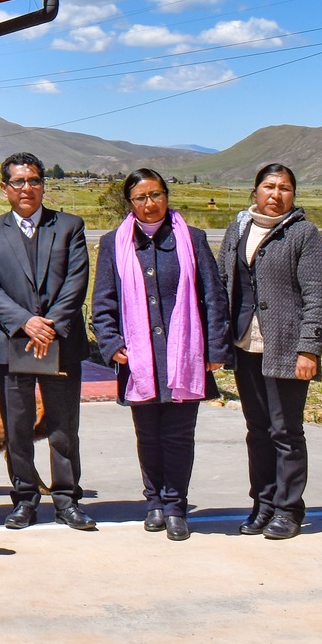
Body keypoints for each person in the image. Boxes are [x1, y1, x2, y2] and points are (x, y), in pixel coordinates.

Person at [93, 168, 230, 541]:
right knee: (148, 435)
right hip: (139, 358)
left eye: (155, 195)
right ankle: (153, 501)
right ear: (130, 203)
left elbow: (213, 297)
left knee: (179, 436)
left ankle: (175, 506)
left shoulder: (193, 239)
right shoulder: (113, 243)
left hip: (186, 356)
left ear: (167, 196)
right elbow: (103, 303)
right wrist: (110, 342)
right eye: (140, 197)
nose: (149, 204)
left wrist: (216, 348)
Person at [0, 153, 95, 531]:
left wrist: (50, 325)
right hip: (14, 341)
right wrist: (26, 322)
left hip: (60, 340)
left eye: (34, 181)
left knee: (63, 426)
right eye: (18, 182)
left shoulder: (70, 226)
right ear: (5, 188)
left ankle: (66, 500)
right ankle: (24, 499)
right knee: (17, 425)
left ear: (43, 184)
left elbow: (77, 281)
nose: (27, 188)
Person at [219, 162, 322, 541]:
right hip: (245, 346)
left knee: (285, 431)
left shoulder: (304, 235)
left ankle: (288, 509)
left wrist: (309, 349)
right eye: (269, 186)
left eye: (285, 188)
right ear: (255, 190)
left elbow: (318, 296)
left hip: (285, 347)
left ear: (293, 195)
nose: (276, 194)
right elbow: (222, 285)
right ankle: (263, 503)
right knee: (257, 430)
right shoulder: (238, 230)